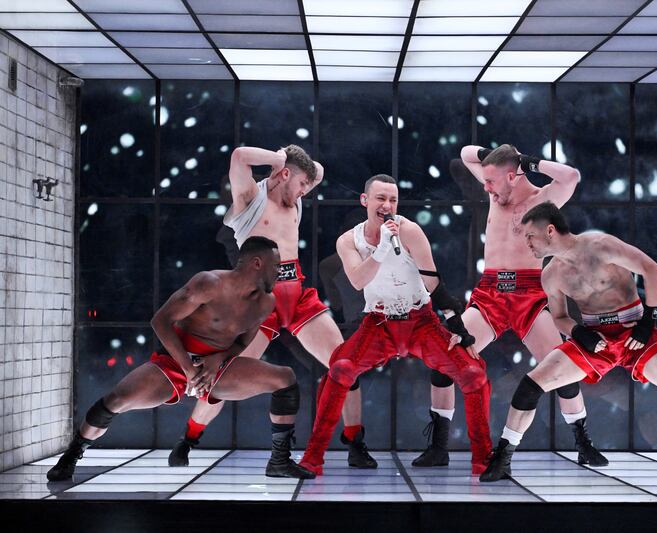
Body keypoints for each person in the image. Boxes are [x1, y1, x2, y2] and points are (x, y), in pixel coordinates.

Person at [479, 203, 657, 485]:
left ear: (550, 230)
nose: (527, 242)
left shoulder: (601, 245)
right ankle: (503, 458)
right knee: (530, 387)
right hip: (595, 341)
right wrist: (579, 333)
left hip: (635, 334)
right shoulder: (550, 274)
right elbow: (559, 317)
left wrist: (647, 323)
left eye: (530, 235)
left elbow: (653, 270)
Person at [168, 145, 375, 470]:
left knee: (345, 362)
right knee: (222, 377)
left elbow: (316, 170)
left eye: (307, 186)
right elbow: (238, 157)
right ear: (284, 174)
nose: (307, 190)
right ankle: (189, 439)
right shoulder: (250, 198)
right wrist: (280, 159)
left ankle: (355, 442)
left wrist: (295, 167)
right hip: (255, 301)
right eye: (302, 184)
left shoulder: (294, 197)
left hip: (296, 294)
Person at [47, 237, 314, 481]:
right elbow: (161, 321)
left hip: (216, 368)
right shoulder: (209, 283)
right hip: (175, 363)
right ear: (257, 263)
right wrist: (188, 369)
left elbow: (243, 343)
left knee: (285, 378)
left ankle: (280, 461)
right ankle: (73, 453)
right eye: (276, 265)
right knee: (116, 401)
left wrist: (218, 358)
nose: (280, 271)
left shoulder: (266, 303)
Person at [414, 144, 608, 468]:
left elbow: (572, 177)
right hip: (490, 292)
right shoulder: (495, 192)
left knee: (560, 366)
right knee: (444, 357)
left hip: (528, 294)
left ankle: (582, 440)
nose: (485, 188)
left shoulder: (540, 202)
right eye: (485, 181)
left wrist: (530, 162)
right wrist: (500, 155)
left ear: (513, 175)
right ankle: (439, 445)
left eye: (491, 181)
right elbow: (465, 153)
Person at [299, 174, 492, 476]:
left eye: (392, 200)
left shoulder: (410, 230)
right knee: (340, 370)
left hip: (421, 321)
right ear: (365, 201)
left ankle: (483, 461)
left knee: (473, 374)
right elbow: (359, 280)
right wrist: (383, 248)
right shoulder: (349, 240)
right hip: (378, 323)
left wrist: (458, 326)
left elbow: (432, 282)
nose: (387, 206)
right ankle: (312, 460)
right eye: (380, 198)